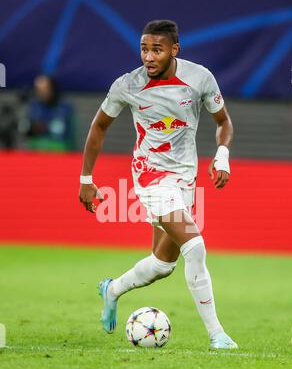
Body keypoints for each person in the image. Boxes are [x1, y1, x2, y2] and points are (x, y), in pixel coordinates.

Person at [79, 20, 238, 349]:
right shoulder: (128, 85)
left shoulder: (199, 78)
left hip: (185, 178)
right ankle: (217, 335)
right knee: (195, 247)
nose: (148, 57)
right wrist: (86, 178)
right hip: (150, 177)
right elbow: (98, 127)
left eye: (157, 49)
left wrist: (222, 154)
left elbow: (223, 122)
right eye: (144, 49)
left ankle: (112, 290)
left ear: (174, 50)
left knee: (163, 264)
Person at [26, 75, 76, 151]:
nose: (41, 93)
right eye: (38, 90)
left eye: (45, 89)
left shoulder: (65, 108)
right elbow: (27, 130)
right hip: (36, 150)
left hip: (59, 151)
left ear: (52, 89)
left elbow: (71, 135)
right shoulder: (34, 106)